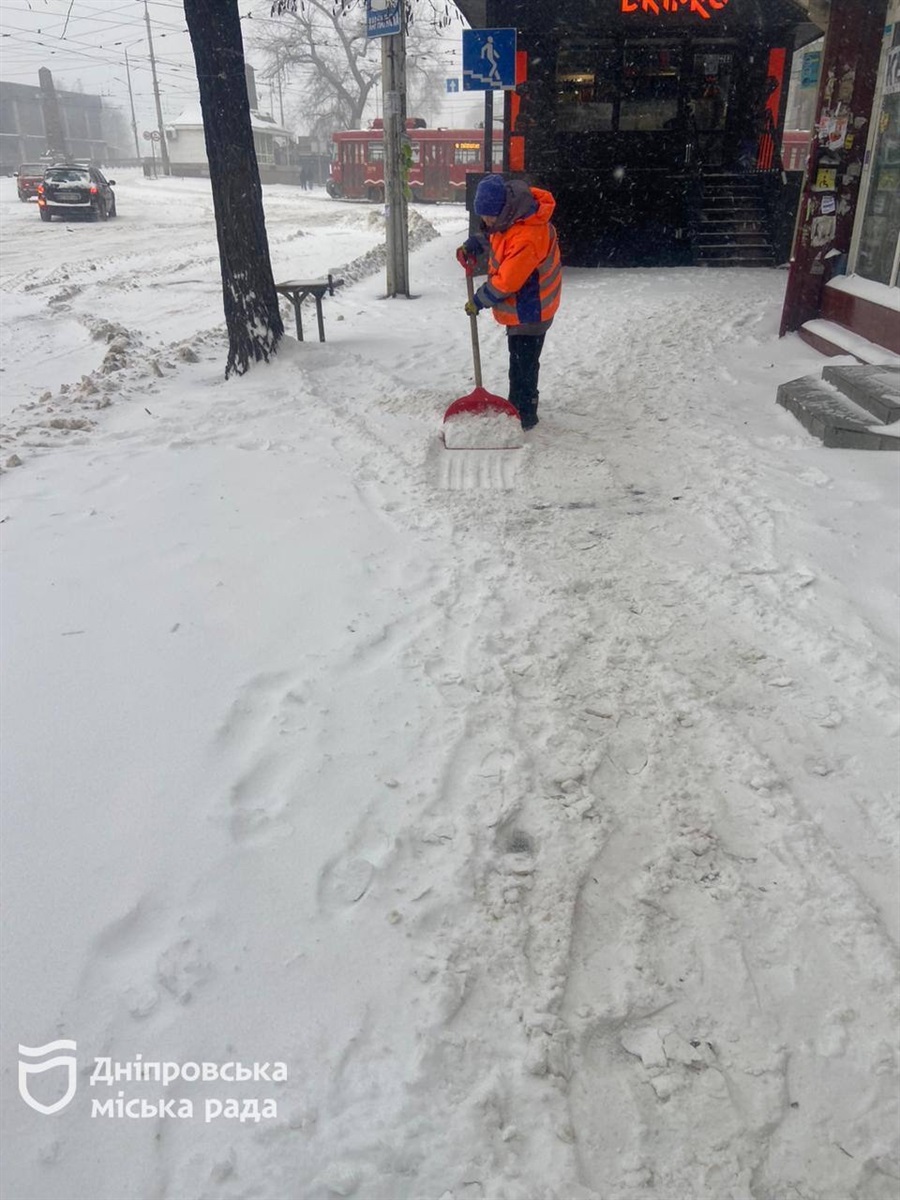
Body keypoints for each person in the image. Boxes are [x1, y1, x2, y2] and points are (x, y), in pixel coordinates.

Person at [456, 174, 561, 431]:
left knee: (524, 366)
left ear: (503, 209)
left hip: (533, 310)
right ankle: (518, 405)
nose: (486, 221)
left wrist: (479, 300)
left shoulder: (528, 235)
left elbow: (507, 282)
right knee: (518, 360)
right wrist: (474, 244)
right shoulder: (513, 217)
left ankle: (525, 413)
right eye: (483, 216)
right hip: (522, 308)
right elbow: (498, 236)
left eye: (489, 216)